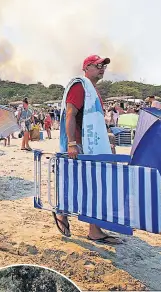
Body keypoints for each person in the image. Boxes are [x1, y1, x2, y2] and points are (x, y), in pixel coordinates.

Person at [55, 55, 121, 244]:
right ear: (87, 67)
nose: (102, 69)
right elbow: (70, 114)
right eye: (98, 65)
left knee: (93, 185)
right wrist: (71, 143)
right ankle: (62, 212)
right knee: (82, 183)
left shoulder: (92, 90)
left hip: (92, 144)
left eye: (104, 66)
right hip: (81, 145)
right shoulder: (79, 86)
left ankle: (94, 229)